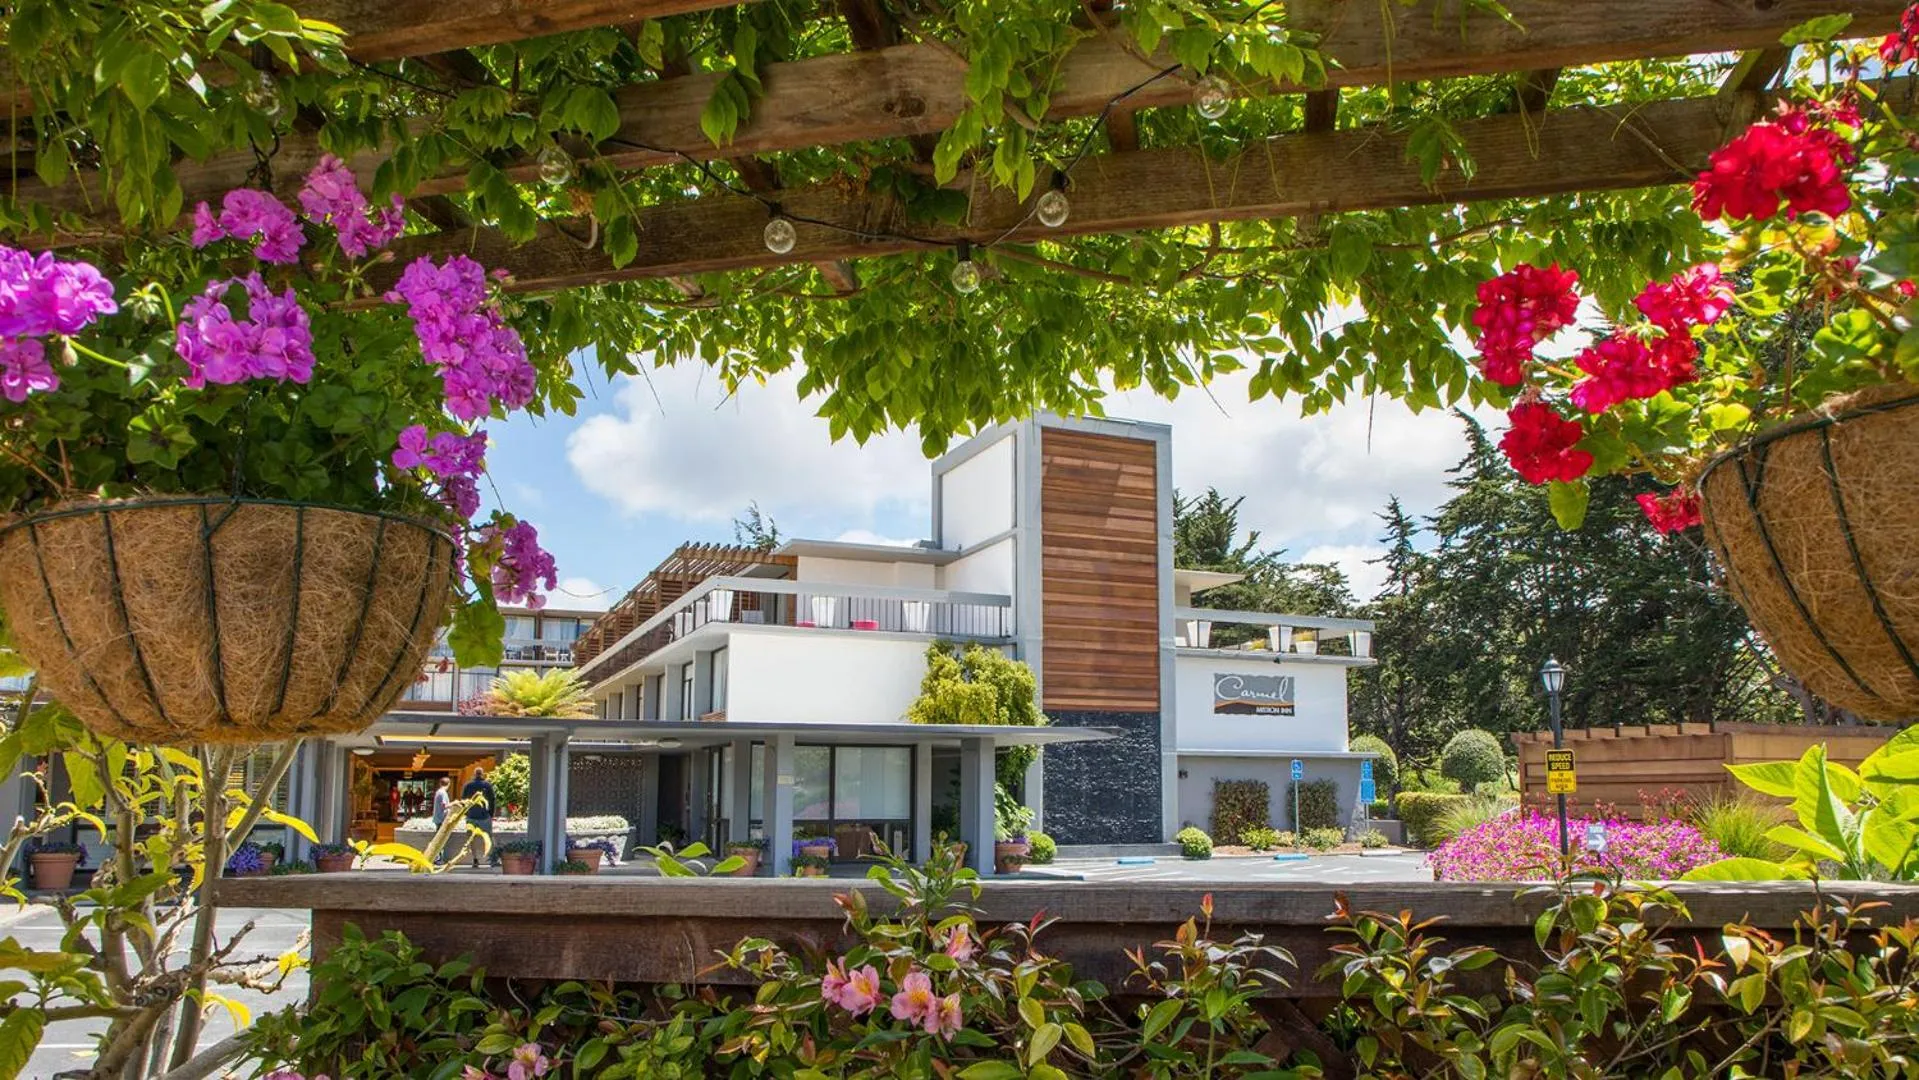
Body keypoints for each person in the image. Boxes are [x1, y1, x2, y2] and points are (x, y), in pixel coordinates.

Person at [461, 768, 497, 868]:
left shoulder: (468, 785)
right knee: (489, 836)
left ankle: (475, 859)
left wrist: (466, 813)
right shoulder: (487, 785)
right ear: (482, 774)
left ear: (474, 774)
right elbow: (492, 800)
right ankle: (493, 859)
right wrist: (491, 813)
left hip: (471, 815)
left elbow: (463, 800)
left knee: (471, 838)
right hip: (484, 815)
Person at [430, 777, 452, 865]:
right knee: (440, 840)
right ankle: (438, 859)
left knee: (438, 839)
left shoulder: (438, 792)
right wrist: (454, 804)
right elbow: (444, 805)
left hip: (438, 818)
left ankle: (437, 858)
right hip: (441, 819)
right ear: (449, 784)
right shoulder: (443, 793)